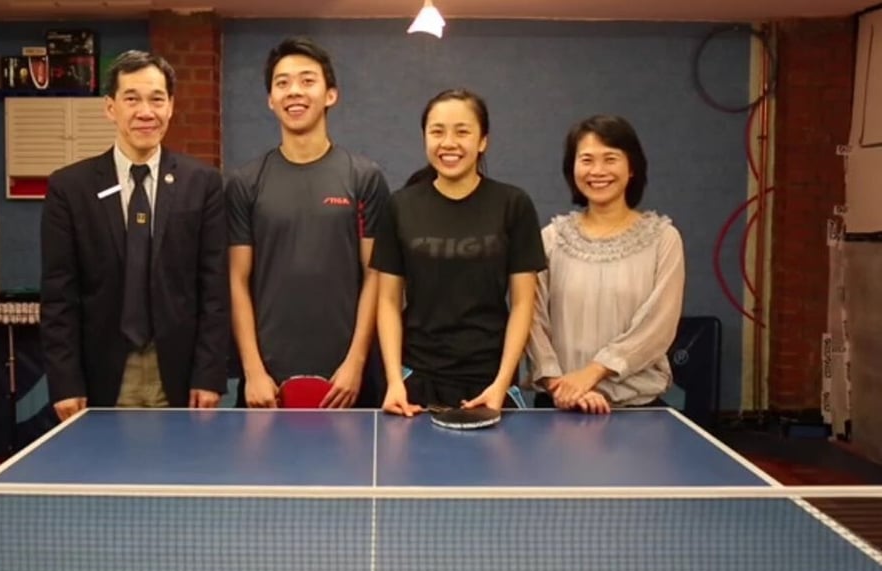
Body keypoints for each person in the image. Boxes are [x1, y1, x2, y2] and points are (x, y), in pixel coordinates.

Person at [40, 50, 229, 421]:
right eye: (132, 99)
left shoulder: (202, 183)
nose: (146, 112)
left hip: (179, 374)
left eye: (157, 99)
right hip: (101, 374)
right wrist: (65, 382)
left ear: (171, 106)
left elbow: (214, 289)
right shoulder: (69, 188)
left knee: (176, 474)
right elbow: (58, 295)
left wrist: (209, 374)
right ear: (110, 108)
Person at [226, 36, 389, 409]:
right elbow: (237, 278)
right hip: (267, 382)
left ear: (331, 94)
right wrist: (252, 371)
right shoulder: (244, 182)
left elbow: (375, 274)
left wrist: (355, 363)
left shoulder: (364, 177)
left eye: (307, 80)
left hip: (348, 381)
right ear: (270, 99)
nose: (294, 91)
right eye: (282, 83)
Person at [371, 88, 546, 416]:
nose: (448, 143)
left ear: (483, 141)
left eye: (462, 131)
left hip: (490, 380)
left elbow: (524, 303)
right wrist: (394, 380)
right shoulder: (400, 206)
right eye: (437, 131)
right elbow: (388, 301)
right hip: (416, 378)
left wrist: (501, 381)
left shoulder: (513, 204)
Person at [526, 114, 685, 414]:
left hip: (636, 409)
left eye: (610, 158)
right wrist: (560, 385)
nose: (597, 171)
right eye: (586, 160)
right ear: (572, 168)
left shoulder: (664, 239)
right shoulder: (550, 239)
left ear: (632, 167)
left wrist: (591, 374)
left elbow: (657, 326)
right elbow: (532, 322)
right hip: (556, 404)